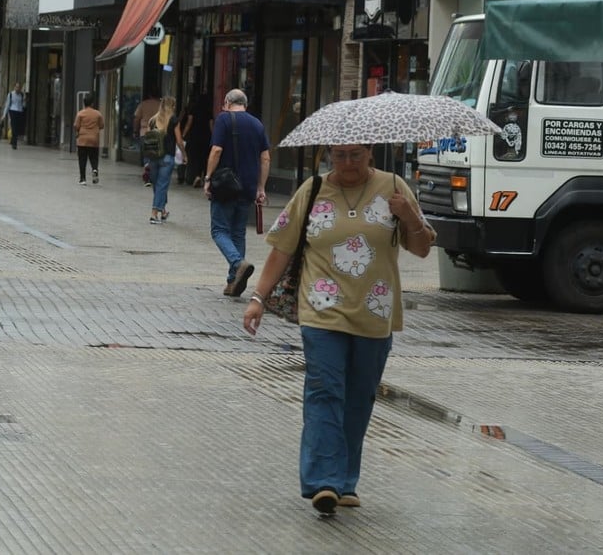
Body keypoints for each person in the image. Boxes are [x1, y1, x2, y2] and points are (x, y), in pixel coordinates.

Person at [242, 143, 436, 515]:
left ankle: (345, 480)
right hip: (321, 312)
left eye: (355, 155)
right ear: (329, 155)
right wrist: (258, 299)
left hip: (375, 313)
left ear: (370, 156)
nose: (347, 162)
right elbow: (281, 249)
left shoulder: (395, 187)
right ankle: (323, 481)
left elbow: (423, 249)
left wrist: (409, 215)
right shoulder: (312, 190)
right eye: (340, 155)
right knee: (325, 390)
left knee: (359, 398)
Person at [203, 88, 269, 297]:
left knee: (219, 231)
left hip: (225, 185)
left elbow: (216, 150)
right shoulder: (257, 124)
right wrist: (261, 187)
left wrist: (207, 178)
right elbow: (265, 158)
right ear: (245, 105)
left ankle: (237, 263)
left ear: (226, 103)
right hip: (248, 187)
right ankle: (233, 282)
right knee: (238, 232)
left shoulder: (224, 119)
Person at [146, 96, 186, 224]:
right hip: (167, 157)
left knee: (157, 185)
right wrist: (184, 154)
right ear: (172, 106)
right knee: (162, 185)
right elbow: (179, 141)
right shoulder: (174, 120)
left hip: (153, 156)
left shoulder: (152, 120)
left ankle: (162, 210)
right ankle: (154, 214)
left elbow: (148, 139)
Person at [74, 93, 105, 185]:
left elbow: (76, 126)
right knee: (94, 158)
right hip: (94, 139)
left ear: (84, 103)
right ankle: (95, 169)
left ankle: (82, 179)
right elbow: (102, 125)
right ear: (92, 103)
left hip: (82, 140)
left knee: (82, 159)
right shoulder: (98, 114)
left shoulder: (80, 114)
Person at [185, 94, 214, 187]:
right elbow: (211, 126)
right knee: (204, 157)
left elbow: (189, 123)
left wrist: (183, 134)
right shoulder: (209, 111)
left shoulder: (193, 109)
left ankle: (195, 175)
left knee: (195, 157)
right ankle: (203, 177)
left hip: (194, 136)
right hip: (206, 137)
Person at [133, 89, 161, 186]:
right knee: (155, 155)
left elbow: (137, 118)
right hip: (158, 132)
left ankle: (147, 174)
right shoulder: (161, 105)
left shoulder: (143, 104)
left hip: (144, 132)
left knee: (146, 155)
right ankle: (154, 175)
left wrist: (135, 130)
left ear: (149, 94)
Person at [3, 82, 26, 149]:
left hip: (19, 111)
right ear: (14, 87)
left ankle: (13, 140)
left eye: (19, 87)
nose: (18, 89)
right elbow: (7, 105)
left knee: (17, 127)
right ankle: (14, 143)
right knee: (14, 126)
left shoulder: (21, 95)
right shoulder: (10, 94)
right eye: (16, 87)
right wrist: (4, 115)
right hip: (12, 111)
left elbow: (23, 105)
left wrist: (24, 100)